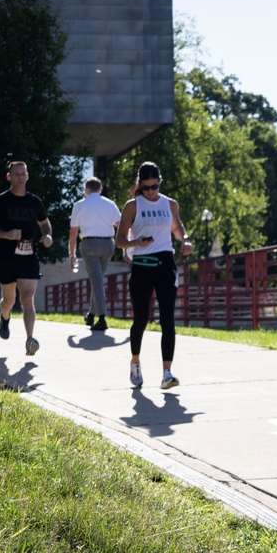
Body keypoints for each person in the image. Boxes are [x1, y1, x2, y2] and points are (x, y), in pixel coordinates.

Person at [115, 161, 193, 389]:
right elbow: (118, 240)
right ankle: (136, 362)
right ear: (140, 185)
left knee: (168, 318)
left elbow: (178, 228)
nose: (151, 191)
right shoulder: (132, 206)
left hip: (165, 263)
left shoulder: (170, 204)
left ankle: (167, 373)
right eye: (146, 187)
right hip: (142, 265)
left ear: (160, 183)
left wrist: (185, 240)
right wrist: (135, 242)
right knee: (141, 319)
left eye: (155, 186)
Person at [0, 161, 54, 356]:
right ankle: (5, 317)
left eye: (23, 174)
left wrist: (47, 236)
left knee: (28, 298)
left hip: (29, 256)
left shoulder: (34, 201)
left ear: (28, 176)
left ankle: (30, 339)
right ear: (9, 177)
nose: (21, 177)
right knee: (9, 301)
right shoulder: (0, 201)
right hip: (6, 257)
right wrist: (5, 234)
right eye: (17, 174)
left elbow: (45, 224)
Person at [68, 176, 121, 331]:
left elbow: (73, 233)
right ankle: (91, 315)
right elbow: (120, 226)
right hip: (108, 245)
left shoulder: (79, 205)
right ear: (100, 190)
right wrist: (128, 248)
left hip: (89, 245)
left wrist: (71, 254)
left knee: (97, 280)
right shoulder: (110, 204)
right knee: (97, 279)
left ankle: (102, 318)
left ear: (86, 190)